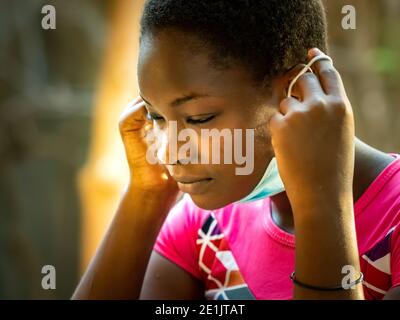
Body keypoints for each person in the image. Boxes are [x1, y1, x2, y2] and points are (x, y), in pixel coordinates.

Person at [72, 0, 400, 300]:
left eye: (199, 118)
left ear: (299, 90)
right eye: (156, 115)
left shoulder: (393, 219)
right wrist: (145, 197)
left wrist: (320, 200)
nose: (169, 152)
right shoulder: (202, 228)